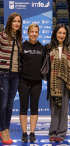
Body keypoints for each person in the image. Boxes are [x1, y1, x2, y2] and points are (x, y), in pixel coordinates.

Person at [46, 23, 70, 142]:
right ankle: (53, 131)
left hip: (66, 82)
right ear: (55, 33)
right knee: (54, 109)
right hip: (53, 83)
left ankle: (62, 133)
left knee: (64, 109)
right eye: (59, 33)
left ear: (66, 35)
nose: (61, 35)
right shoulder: (48, 47)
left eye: (64, 33)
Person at [18, 24, 46, 142]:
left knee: (34, 108)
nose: (34, 34)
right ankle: (24, 133)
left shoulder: (42, 48)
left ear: (38, 33)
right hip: (23, 81)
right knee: (23, 108)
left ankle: (32, 133)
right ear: (28, 33)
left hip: (37, 82)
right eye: (32, 32)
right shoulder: (22, 46)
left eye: (36, 32)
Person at [0, 12, 22, 144]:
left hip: (15, 75)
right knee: (2, 104)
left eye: (18, 21)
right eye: (14, 21)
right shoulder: (2, 36)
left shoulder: (18, 38)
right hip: (4, 74)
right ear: (9, 22)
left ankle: (6, 129)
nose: (16, 23)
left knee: (10, 104)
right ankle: (3, 131)